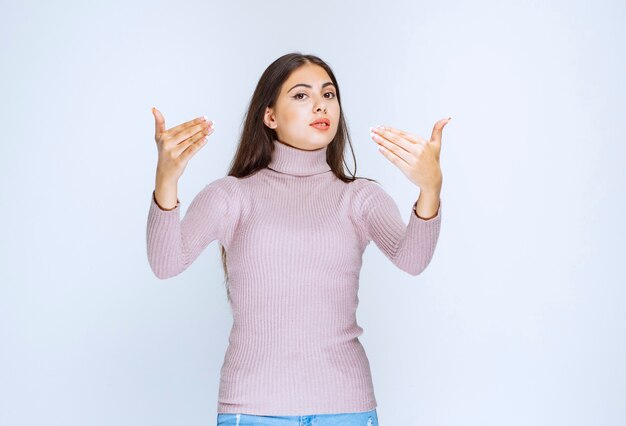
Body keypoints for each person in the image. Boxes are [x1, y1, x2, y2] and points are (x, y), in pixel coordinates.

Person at [146, 52, 449, 426]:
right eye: (302, 95)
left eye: (329, 94)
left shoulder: (359, 198)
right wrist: (167, 180)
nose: (320, 105)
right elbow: (166, 263)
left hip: (346, 407)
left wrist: (430, 189)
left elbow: (412, 260)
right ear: (269, 116)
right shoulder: (231, 196)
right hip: (253, 408)